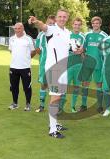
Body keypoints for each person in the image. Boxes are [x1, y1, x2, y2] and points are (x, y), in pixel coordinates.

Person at [28, 9, 71, 138]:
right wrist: (36, 21)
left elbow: (67, 48)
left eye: (64, 17)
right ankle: (52, 129)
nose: (62, 18)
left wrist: (77, 49)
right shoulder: (51, 29)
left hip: (64, 69)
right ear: (56, 18)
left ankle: (55, 123)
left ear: (67, 18)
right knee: (55, 97)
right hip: (54, 69)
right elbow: (43, 26)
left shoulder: (67, 32)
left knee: (59, 97)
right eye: (60, 16)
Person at [78, 16, 108, 113]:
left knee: (99, 84)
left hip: (99, 64)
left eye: (97, 23)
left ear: (100, 24)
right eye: (94, 23)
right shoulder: (87, 35)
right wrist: (81, 54)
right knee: (85, 83)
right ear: (92, 24)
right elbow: (83, 48)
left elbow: (106, 51)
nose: (95, 25)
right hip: (87, 64)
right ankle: (83, 105)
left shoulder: (104, 36)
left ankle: (99, 106)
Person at [8, 22, 36, 111]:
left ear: (23, 28)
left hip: (25, 67)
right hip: (13, 67)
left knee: (27, 87)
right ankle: (15, 103)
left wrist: (26, 59)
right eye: (15, 29)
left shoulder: (28, 39)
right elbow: (11, 51)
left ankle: (28, 104)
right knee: (14, 87)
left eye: (19, 28)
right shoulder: (12, 39)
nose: (17, 30)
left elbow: (33, 51)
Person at [35, 15, 56, 113]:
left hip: (56, 63)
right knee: (44, 84)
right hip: (44, 63)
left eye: (53, 23)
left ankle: (55, 107)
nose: (51, 25)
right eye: (49, 23)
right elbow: (38, 50)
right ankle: (42, 105)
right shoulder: (40, 35)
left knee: (55, 86)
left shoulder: (58, 34)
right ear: (46, 23)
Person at [66, 17, 85, 113]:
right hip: (67, 65)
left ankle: (73, 106)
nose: (77, 26)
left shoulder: (83, 37)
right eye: (75, 24)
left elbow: (83, 51)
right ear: (72, 25)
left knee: (76, 87)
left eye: (78, 24)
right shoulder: (67, 35)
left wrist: (81, 51)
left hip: (78, 65)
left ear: (80, 26)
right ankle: (60, 107)